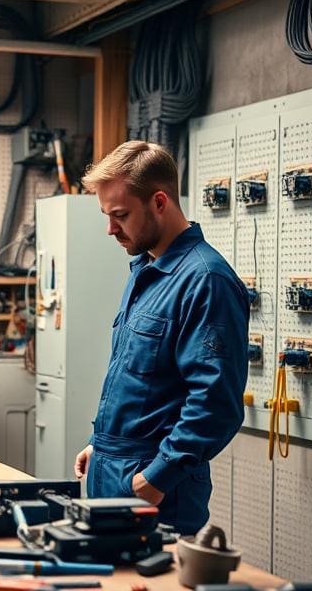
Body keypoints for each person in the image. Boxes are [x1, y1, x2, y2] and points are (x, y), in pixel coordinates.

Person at [73, 141, 249, 535]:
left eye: (120, 215)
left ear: (159, 202)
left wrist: (156, 478)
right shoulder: (145, 270)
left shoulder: (206, 281)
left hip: (157, 489)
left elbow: (215, 404)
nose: (110, 229)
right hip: (113, 467)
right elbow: (135, 380)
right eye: (106, 215)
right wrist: (99, 442)